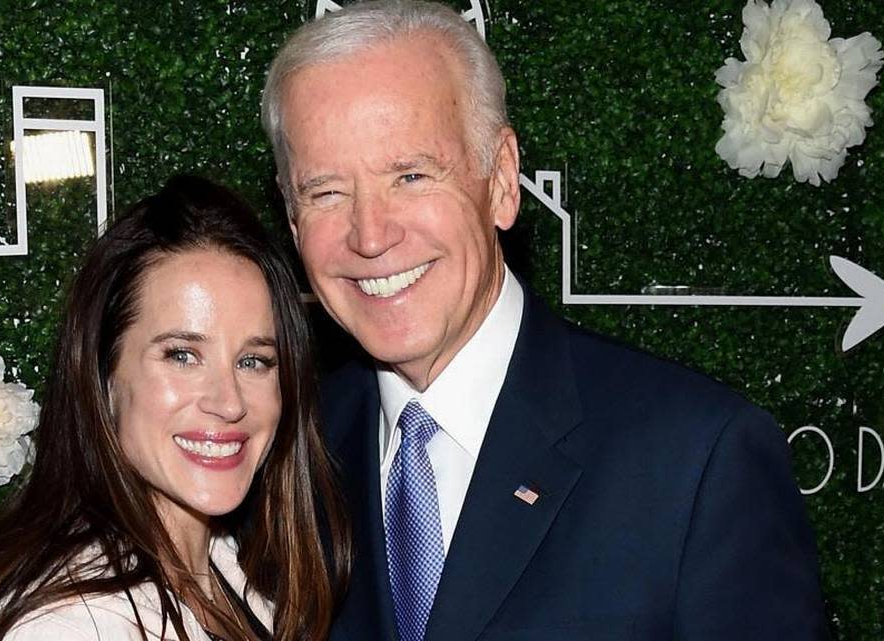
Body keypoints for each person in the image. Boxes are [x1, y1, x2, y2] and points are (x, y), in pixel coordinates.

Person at [260, 2, 829, 640]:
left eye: (411, 176)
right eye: (326, 192)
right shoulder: (288, 454)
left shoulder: (696, 459)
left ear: (502, 180)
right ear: (291, 217)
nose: (370, 235)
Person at [0, 175, 350, 641]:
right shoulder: (68, 625)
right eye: (182, 355)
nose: (229, 401)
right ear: (105, 375)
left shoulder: (225, 569)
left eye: (253, 361)